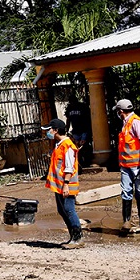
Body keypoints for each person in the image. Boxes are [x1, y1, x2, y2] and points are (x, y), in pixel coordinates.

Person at [42, 118, 83, 248]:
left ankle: (78, 238)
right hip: (59, 185)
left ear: (55, 130)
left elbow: (69, 167)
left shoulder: (68, 145)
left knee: (69, 209)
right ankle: (73, 236)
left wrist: (65, 184)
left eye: (49, 130)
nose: (48, 132)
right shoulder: (59, 145)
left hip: (67, 184)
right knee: (62, 209)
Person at [114, 99, 140, 232]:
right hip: (126, 165)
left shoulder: (136, 122)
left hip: (138, 166)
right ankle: (127, 221)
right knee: (126, 192)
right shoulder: (126, 123)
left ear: (121, 111)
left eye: (118, 111)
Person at [64, 96, 92, 166]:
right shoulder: (69, 109)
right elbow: (68, 120)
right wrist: (66, 130)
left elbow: (87, 119)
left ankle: (87, 161)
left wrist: (88, 130)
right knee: (76, 147)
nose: (72, 103)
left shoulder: (82, 107)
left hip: (84, 130)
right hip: (75, 131)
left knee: (84, 146)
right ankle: (79, 163)